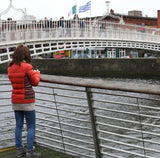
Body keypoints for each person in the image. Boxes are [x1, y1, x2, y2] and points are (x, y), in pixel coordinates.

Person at [8, 44, 41, 158]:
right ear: (26, 55)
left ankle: (19, 149)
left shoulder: (10, 67)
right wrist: (37, 73)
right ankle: (30, 150)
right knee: (31, 125)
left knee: (19, 125)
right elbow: (35, 82)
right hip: (27, 100)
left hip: (16, 100)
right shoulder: (27, 67)